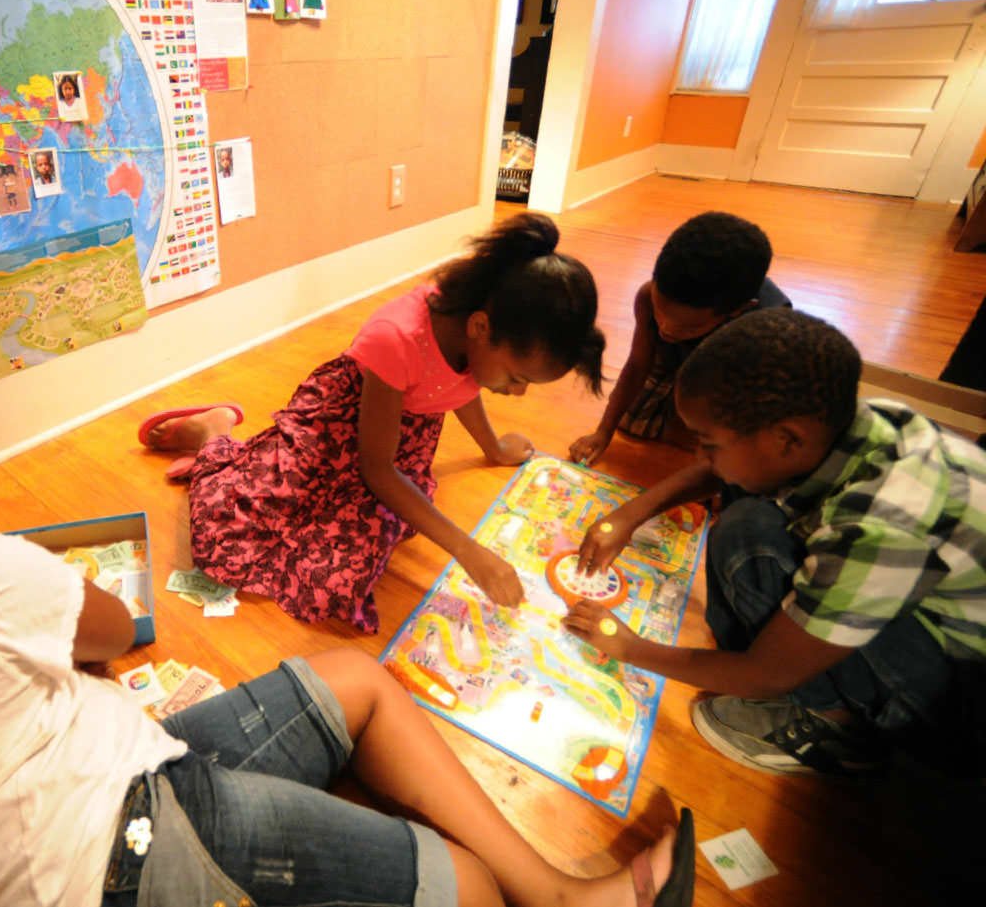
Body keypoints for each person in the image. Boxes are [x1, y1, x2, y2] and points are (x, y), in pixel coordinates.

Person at [0, 360, 695, 907]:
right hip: (114, 862)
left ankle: (553, 891)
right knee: (460, 886)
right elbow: (112, 630)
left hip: (110, 786)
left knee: (351, 681)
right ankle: (552, 899)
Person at [564, 309, 986, 776]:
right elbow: (723, 471)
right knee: (746, 519)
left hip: (960, 698)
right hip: (929, 614)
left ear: (786, 439)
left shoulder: (883, 524)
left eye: (708, 442)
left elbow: (768, 674)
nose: (698, 455)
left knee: (749, 539)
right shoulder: (864, 421)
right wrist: (632, 513)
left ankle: (839, 729)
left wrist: (629, 648)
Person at [138, 213, 606, 633]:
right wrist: (468, 550)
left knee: (347, 563)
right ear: (480, 328)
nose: (516, 392)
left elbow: (458, 388)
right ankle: (213, 433)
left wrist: (493, 448)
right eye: (516, 377)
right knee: (228, 537)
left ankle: (220, 440)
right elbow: (378, 470)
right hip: (336, 427)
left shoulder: (480, 334)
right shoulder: (397, 337)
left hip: (396, 440)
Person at [568, 212, 789, 466]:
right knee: (634, 423)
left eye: (687, 326)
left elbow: (749, 410)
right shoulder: (647, 295)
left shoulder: (764, 332)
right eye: (660, 311)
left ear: (737, 311)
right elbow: (637, 366)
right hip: (678, 360)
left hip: (731, 378)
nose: (666, 329)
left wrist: (720, 468)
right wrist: (603, 432)